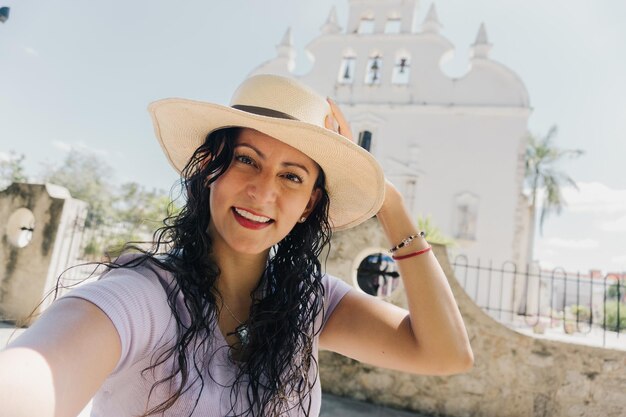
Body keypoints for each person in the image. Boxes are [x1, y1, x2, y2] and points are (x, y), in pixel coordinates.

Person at [0, 74, 473, 417]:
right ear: (210, 169)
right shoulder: (140, 297)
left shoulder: (309, 301)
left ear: (309, 205)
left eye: (292, 176)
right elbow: (34, 376)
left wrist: (388, 202)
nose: (263, 192)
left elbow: (445, 354)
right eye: (247, 160)